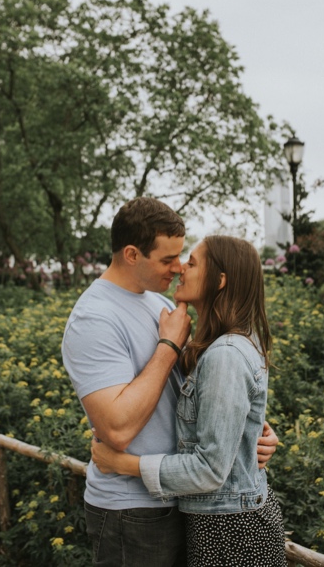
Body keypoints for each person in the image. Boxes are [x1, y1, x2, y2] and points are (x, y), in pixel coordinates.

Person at [60, 197, 276, 567]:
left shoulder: (154, 302)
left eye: (184, 259)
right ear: (131, 254)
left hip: (181, 499)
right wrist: (169, 345)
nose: (177, 269)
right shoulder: (94, 318)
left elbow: (205, 392)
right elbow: (116, 429)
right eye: (167, 260)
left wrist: (247, 432)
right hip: (133, 510)